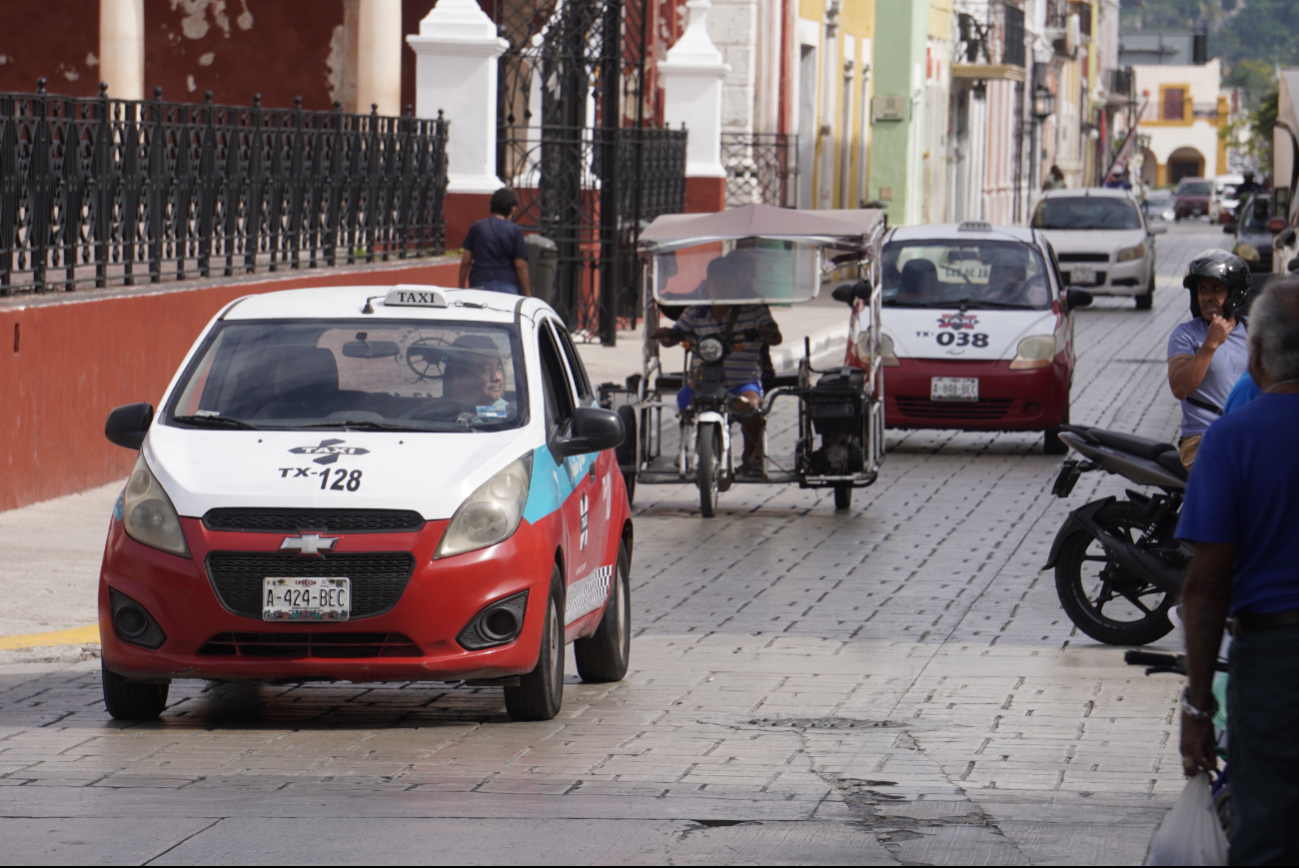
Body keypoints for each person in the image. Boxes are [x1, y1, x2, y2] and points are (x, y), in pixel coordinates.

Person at [1178, 278, 1299, 864]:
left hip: (1271, 665)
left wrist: (1199, 706)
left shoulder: (1230, 440)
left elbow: (1206, 586)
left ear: (1254, 355)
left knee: (1267, 835)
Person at [656, 257, 782, 476]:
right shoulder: (696, 311)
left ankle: (752, 456)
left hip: (741, 384)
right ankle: (687, 448)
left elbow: (774, 334)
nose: (721, 286)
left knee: (752, 406)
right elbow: (675, 335)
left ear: (737, 285)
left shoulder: (753, 309)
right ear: (708, 285)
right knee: (685, 403)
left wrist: (767, 331)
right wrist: (667, 336)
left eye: (727, 281)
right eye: (716, 281)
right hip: (702, 383)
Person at [1166, 250, 1251, 468]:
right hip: (1202, 440)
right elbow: (1179, 388)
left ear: (1235, 293)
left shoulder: (1255, 332)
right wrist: (1209, 346)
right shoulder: (1185, 334)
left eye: (1216, 289)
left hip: (1248, 438)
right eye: (1202, 289)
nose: (1207, 296)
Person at [459, 188, 532, 296]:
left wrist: (460, 287)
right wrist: (527, 293)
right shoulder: (515, 230)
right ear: (511, 208)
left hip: (479, 282)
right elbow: (521, 265)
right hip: (507, 284)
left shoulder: (477, 227)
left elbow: (466, 260)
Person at [442, 335, 511, 419]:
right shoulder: (432, 413)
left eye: (498, 369)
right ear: (458, 374)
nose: (497, 378)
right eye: (487, 369)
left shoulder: (509, 415)